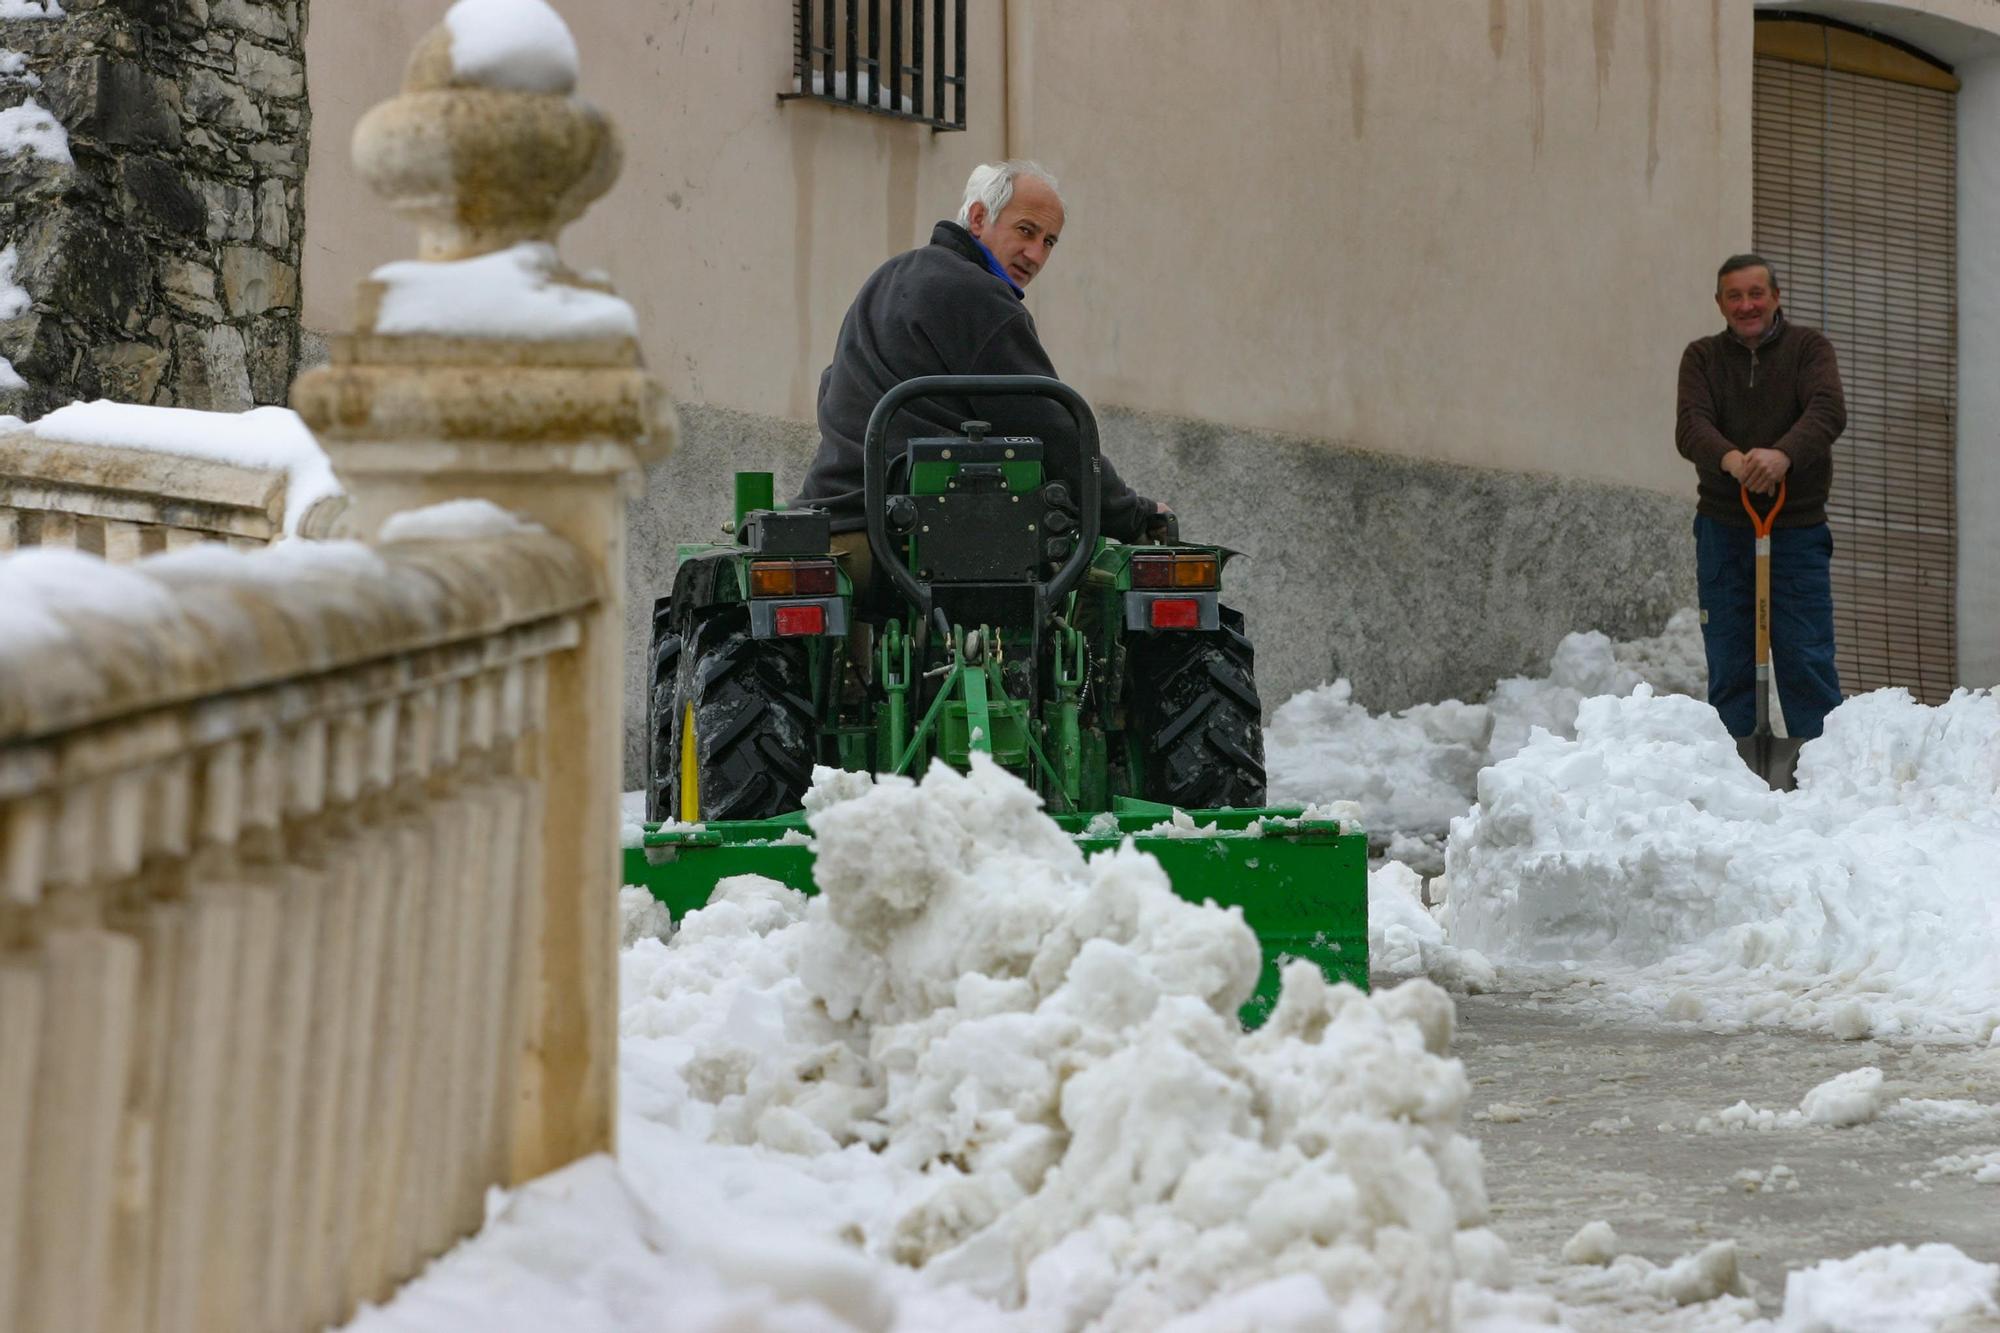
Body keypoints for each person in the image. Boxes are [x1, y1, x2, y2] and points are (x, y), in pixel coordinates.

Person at [791, 160, 1166, 606]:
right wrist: (1132, 515)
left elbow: (832, 389)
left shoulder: (886, 279)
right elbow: (1058, 432)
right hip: (923, 542)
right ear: (977, 218)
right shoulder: (984, 299)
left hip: (834, 532)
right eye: (1025, 231)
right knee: (1094, 603)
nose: (1036, 255)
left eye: (1049, 242)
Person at [1675, 253, 1846, 789]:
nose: (1746, 305)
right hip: (1725, 528)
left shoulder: (1808, 349)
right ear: (1720, 303)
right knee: (1729, 656)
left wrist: (1781, 456)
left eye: (1756, 293)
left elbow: (1826, 410)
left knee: (1806, 656)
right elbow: (1691, 426)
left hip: (1795, 527)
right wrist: (1734, 462)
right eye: (1734, 296)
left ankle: (1823, 776)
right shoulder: (1702, 357)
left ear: (1775, 297)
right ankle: (1734, 776)